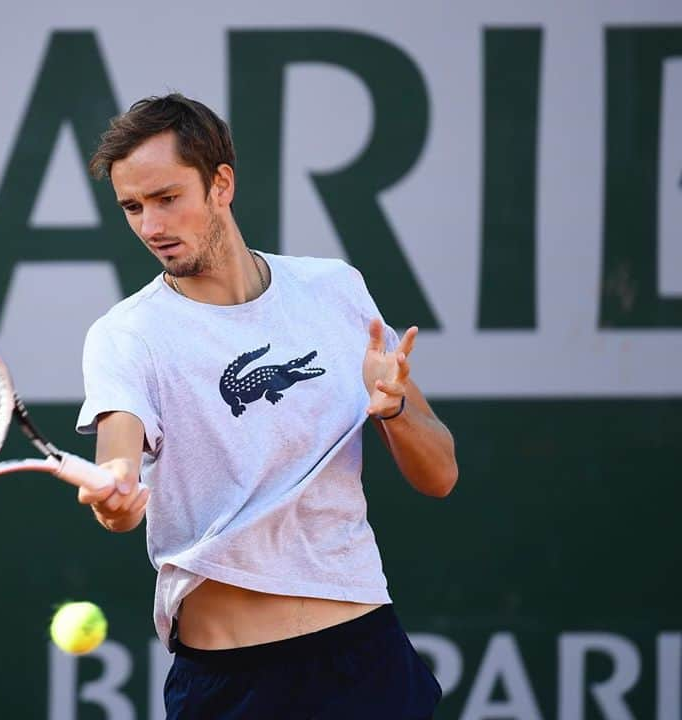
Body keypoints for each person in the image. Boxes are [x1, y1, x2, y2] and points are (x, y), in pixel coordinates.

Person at [75, 93, 458, 719]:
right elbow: (118, 464)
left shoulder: (334, 290)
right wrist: (115, 493)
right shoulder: (126, 336)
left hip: (365, 661)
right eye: (132, 207)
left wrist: (392, 410)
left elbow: (440, 474)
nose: (151, 227)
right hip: (232, 686)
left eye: (168, 198)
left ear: (221, 183)